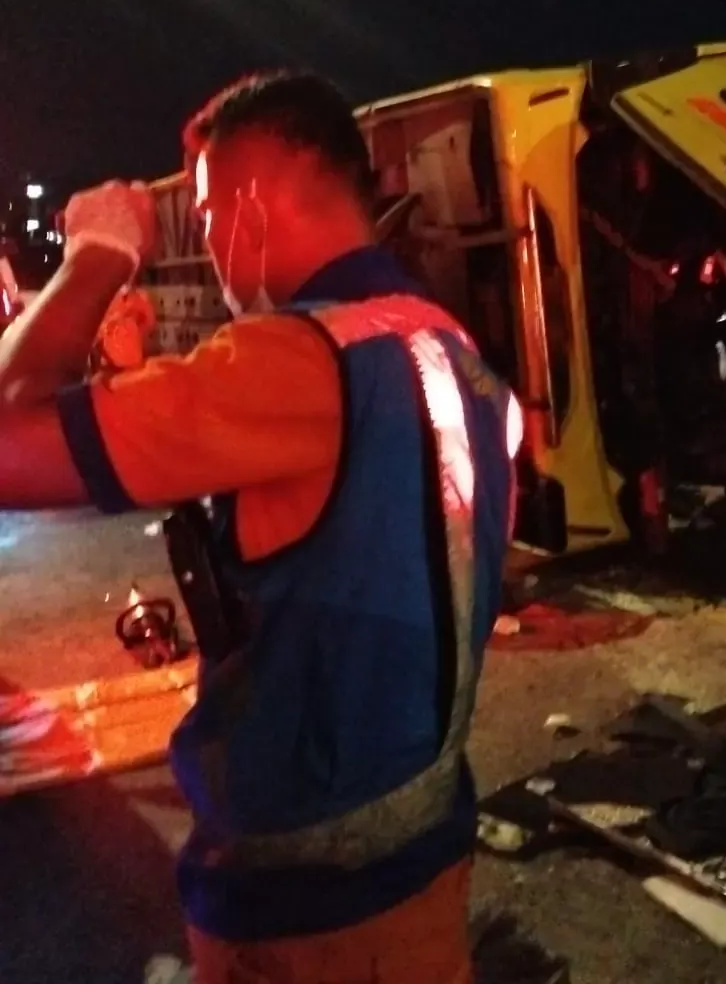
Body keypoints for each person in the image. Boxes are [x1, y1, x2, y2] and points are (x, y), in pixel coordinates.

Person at [0, 71, 520, 984]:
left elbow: (7, 432)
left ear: (245, 209)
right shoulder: (443, 343)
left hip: (304, 905)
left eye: (206, 216)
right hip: (425, 847)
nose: (206, 243)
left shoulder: (288, 361)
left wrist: (97, 255)